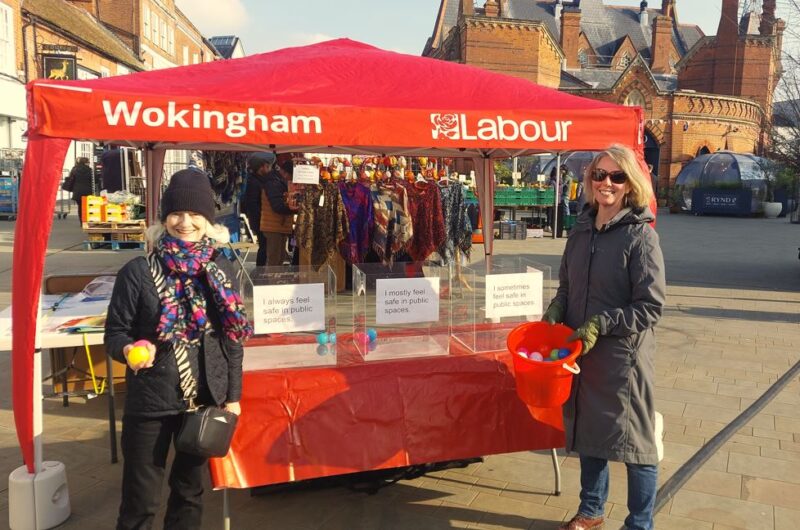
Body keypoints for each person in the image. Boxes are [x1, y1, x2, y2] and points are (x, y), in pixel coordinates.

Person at [105, 168, 252, 529]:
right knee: (140, 500)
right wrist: (128, 349)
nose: (185, 222)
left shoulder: (219, 271)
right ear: (164, 218)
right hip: (151, 401)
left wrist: (232, 395)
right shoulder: (138, 272)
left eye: (195, 214)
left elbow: (232, 338)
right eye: (176, 213)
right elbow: (115, 333)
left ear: (208, 221)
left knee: (189, 493)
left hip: (202, 399)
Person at [542, 145, 666, 530]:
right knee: (589, 433)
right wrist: (555, 311)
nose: (606, 183)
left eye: (616, 176)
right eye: (600, 175)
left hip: (622, 360)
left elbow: (650, 307)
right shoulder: (580, 232)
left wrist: (602, 322)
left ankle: (639, 523)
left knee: (638, 446)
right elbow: (566, 285)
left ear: (630, 184)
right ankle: (592, 510)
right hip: (582, 352)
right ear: (590, 180)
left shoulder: (640, 238)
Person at [260, 156, 297, 266]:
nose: (291, 180)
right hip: (273, 226)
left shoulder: (277, 182)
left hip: (279, 226)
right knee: (274, 260)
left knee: (279, 258)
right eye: (291, 177)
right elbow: (277, 206)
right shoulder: (274, 183)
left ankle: (276, 282)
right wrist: (294, 209)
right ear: (285, 173)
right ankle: (271, 282)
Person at [242, 153, 275, 266]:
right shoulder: (254, 182)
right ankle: (260, 273)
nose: (269, 168)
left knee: (266, 247)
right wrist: (261, 221)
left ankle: (261, 271)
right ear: (261, 167)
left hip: (262, 220)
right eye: (267, 166)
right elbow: (252, 204)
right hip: (260, 222)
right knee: (264, 247)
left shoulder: (260, 180)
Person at [68, 157, 93, 225]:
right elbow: (95, 180)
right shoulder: (90, 170)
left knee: (80, 207)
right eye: (88, 162)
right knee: (88, 206)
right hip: (88, 191)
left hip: (77, 191)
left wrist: (71, 188)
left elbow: (71, 180)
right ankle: (87, 220)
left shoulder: (74, 170)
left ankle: (82, 221)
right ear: (86, 163)